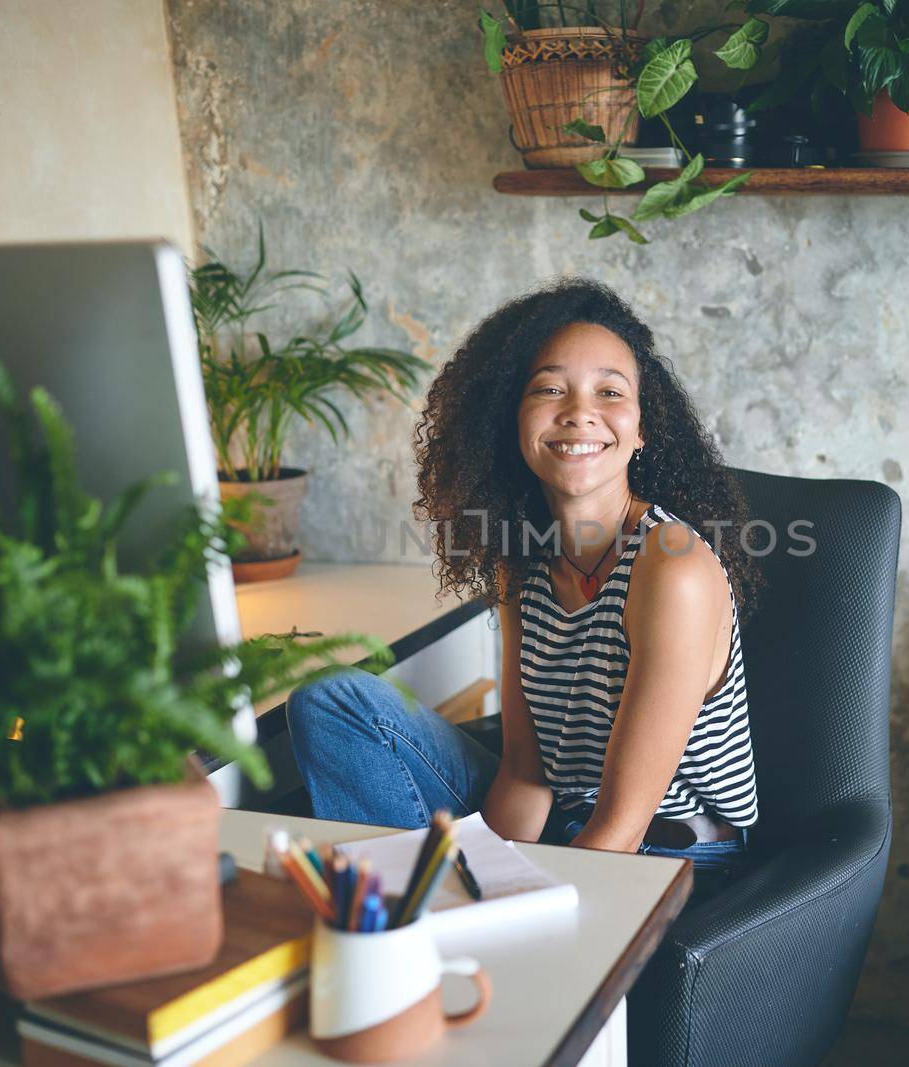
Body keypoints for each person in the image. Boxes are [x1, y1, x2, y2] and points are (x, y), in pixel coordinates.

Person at [287, 278, 763, 902]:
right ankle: (407, 912)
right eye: (548, 389)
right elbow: (523, 775)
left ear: (644, 431)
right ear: (510, 420)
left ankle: (414, 919)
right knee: (334, 702)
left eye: (610, 392)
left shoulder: (672, 569)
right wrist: (488, 874)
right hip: (563, 823)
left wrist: (513, 904)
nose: (579, 412)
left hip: (669, 854)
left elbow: (619, 832)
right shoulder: (523, 564)